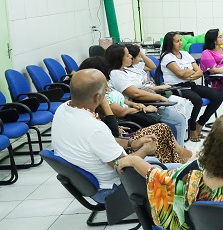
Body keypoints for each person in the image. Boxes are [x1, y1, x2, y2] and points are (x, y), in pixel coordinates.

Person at [51, 69, 158, 203]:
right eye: (106, 89)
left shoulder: (63, 109)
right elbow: (124, 166)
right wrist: (146, 149)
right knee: (168, 171)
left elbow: (100, 141)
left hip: (89, 184)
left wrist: (132, 143)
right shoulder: (94, 128)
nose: (108, 91)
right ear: (97, 97)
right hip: (114, 188)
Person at [79, 57, 193, 165]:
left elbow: (121, 101)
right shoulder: (97, 101)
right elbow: (118, 116)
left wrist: (135, 104)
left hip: (121, 130)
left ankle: (175, 159)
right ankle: (176, 159)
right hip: (124, 126)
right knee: (161, 130)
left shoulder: (103, 90)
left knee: (162, 130)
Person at [106, 45, 190, 145]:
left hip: (140, 104)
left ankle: (179, 150)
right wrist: (159, 98)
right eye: (127, 55)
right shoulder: (116, 74)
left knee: (181, 110)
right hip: (136, 108)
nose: (131, 56)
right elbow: (135, 93)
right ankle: (179, 153)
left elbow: (151, 67)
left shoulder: (127, 69)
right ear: (119, 58)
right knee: (178, 119)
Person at [159, 32, 223, 142]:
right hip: (176, 88)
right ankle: (191, 128)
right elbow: (179, 73)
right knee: (196, 100)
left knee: (218, 96)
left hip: (190, 84)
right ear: (170, 44)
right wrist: (189, 73)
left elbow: (200, 71)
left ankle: (200, 123)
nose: (180, 43)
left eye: (180, 40)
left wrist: (188, 74)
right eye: (177, 41)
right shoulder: (167, 57)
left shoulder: (185, 54)